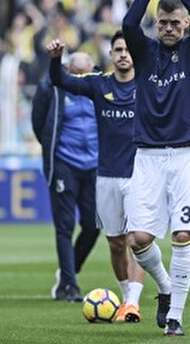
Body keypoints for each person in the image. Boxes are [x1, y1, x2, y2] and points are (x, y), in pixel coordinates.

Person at [45, 32, 172, 323]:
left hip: (139, 176)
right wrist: (55, 61)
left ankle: (133, 303)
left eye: (128, 50)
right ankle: (127, 296)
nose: (124, 54)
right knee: (115, 243)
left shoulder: (147, 86)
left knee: (136, 239)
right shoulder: (99, 84)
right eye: (118, 50)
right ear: (111, 55)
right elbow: (61, 81)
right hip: (106, 177)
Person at [121, 0, 190, 336]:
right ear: (156, 24)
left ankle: (175, 315)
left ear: (185, 25)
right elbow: (127, 24)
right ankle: (165, 287)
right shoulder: (144, 52)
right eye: (163, 23)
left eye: (176, 23)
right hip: (148, 155)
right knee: (138, 238)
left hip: (188, 155)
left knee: (182, 233)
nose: (170, 28)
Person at [31, 51, 100, 302]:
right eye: (76, 73)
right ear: (67, 71)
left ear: (93, 69)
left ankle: (68, 272)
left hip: (94, 165)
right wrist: (54, 150)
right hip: (64, 164)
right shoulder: (52, 88)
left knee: (93, 226)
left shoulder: (100, 87)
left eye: (85, 73)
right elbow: (39, 123)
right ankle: (69, 285)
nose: (81, 78)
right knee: (65, 226)